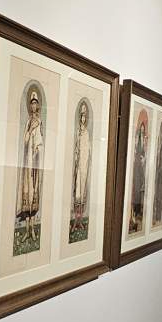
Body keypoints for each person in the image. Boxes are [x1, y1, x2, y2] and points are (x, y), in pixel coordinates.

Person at [16, 88, 44, 245]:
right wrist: (30, 129)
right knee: (27, 191)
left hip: (35, 163)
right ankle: (27, 229)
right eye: (31, 104)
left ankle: (32, 229)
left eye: (35, 104)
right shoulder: (29, 122)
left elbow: (40, 142)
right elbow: (25, 140)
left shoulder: (39, 122)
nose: (33, 106)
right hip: (27, 163)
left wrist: (36, 150)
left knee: (34, 193)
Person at [71, 100, 91, 238]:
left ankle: (80, 221)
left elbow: (88, 150)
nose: (83, 118)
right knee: (76, 193)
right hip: (78, 167)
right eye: (81, 116)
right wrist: (76, 158)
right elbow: (76, 149)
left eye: (85, 116)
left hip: (84, 167)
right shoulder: (78, 132)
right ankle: (75, 221)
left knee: (82, 193)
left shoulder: (87, 133)